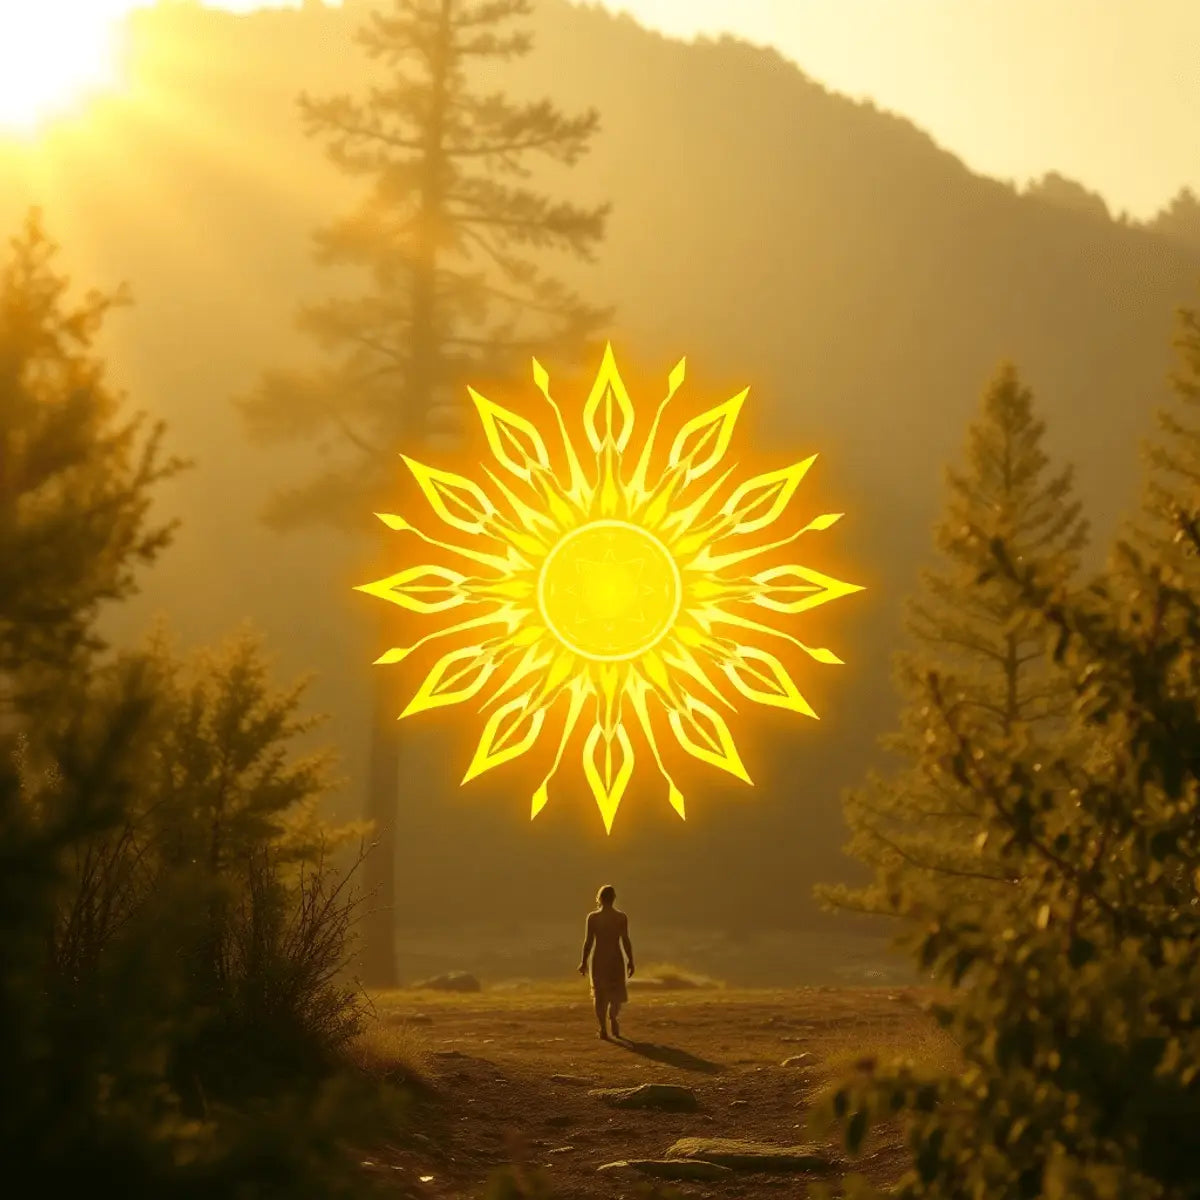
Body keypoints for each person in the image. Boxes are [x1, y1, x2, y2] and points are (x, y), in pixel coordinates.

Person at [578, 884, 635, 1040]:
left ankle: (603, 1028)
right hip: (616, 958)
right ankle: (613, 1017)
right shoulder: (620, 917)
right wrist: (630, 960)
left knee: (599, 994)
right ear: (614, 898)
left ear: (600, 898)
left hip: (599, 958)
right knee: (616, 992)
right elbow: (625, 940)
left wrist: (583, 961)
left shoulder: (593, 918)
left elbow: (588, 942)